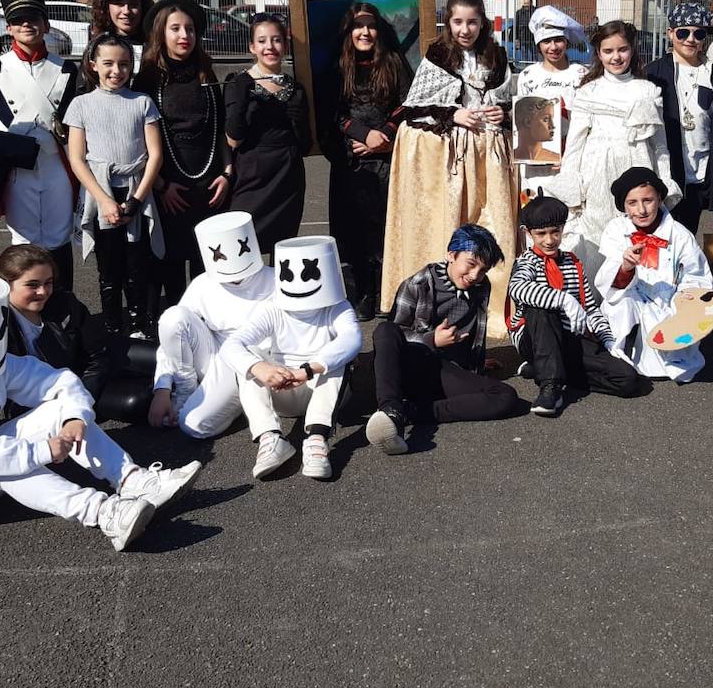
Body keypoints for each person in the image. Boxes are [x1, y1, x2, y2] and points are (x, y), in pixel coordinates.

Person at [0, 270, 201, 552]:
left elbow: (61, 382)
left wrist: (75, 418)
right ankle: (104, 513)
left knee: (52, 414)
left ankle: (134, 481)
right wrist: (40, 450)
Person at [380, 0, 516, 330]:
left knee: (491, 220)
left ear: (483, 22)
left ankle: (494, 300)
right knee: (455, 221)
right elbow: (416, 107)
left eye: (472, 22)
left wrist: (503, 112)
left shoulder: (497, 56)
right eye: (458, 22)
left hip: (491, 153)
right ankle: (444, 297)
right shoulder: (439, 55)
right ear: (448, 22)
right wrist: (454, 115)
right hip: (454, 153)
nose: (465, 30)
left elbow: (516, 102)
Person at [365, 225, 522, 455]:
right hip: (413, 366)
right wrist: (432, 340)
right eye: (471, 264)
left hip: (445, 372)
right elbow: (395, 340)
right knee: (384, 329)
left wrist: (475, 361)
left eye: (483, 269)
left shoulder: (481, 286)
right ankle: (390, 411)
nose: (475, 275)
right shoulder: (417, 284)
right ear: (451, 255)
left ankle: (411, 412)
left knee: (506, 397)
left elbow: (474, 330)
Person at [221, 237, 362, 480]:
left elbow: (353, 339)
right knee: (248, 357)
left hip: (319, 390)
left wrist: (308, 370)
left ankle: (317, 439)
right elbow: (231, 346)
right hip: (280, 389)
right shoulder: (272, 307)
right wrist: (261, 368)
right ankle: (269, 437)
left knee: (338, 357)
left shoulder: (337, 305)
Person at [0, 0, 80, 291]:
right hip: (16, 170)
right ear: (8, 27)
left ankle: (62, 307)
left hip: (56, 169)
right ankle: (23, 308)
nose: (26, 25)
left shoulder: (66, 70)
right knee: (23, 242)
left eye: (32, 18)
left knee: (59, 240)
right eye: (17, 20)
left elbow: (73, 124)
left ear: (46, 24)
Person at [549, 21, 677, 270]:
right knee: (597, 234)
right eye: (608, 51)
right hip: (597, 172)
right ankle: (596, 298)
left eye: (622, 50)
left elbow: (660, 145)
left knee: (639, 228)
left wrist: (664, 181)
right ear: (598, 53)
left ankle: (642, 297)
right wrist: (571, 182)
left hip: (639, 165)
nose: (616, 57)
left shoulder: (648, 91)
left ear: (632, 50)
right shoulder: (588, 91)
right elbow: (575, 143)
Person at [508, 196, 650, 416]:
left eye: (555, 232)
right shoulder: (526, 261)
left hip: (569, 337)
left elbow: (590, 308)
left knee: (629, 380)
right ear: (528, 233)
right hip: (535, 338)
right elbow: (517, 288)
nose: (549, 240)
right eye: (541, 234)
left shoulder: (573, 263)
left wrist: (608, 340)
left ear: (563, 228)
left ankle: (543, 369)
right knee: (541, 309)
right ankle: (550, 387)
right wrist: (563, 299)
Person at [64, 33, 164, 338]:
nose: (116, 71)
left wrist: (136, 199)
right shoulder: (81, 105)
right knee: (109, 270)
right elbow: (77, 158)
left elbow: (155, 154)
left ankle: (138, 328)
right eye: (108, 63)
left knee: (138, 266)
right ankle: (111, 328)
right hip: (101, 195)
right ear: (93, 65)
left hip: (136, 192)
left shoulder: (142, 102)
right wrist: (104, 200)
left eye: (123, 64)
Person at [133, 0, 231, 305]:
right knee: (172, 270)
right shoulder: (148, 79)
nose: (183, 35)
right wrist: (160, 185)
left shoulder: (207, 74)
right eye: (175, 28)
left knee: (209, 267)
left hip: (210, 185)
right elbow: (138, 139)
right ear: (161, 33)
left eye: (189, 28)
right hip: (170, 189)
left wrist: (227, 173)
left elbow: (220, 131)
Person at [0, 245, 154, 422]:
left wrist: (81, 393)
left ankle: (168, 390)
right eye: (32, 285)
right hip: (49, 397)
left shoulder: (63, 302)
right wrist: (74, 404)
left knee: (163, 357)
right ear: (5, 285)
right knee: (135, 402)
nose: (43, 292)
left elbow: (97, 355)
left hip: (88, 370)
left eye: (48, 282)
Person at [150, 211, 276, 438]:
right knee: (172, 316)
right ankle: (187, 389)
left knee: (194, 425)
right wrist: (162, 389)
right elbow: (171, 334)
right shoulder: (203, 284)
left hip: (255, 363)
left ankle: (236, 400)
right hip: (216, 356)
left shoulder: (275, 280)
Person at [326, 1, 412, 320]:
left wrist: (383, 137)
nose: (365, 32)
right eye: (358, 26)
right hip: (352, 164)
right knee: (354, 233)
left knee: (383, 232)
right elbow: (333, 113)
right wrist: (362, 134)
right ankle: (361, 293)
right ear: (349, 32)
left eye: (371, 25)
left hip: (386, 161)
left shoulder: (393, 63)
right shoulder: (339, 67)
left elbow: (407, 106)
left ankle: (385, 293)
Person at [595, 167, 713, 383]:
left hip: (668, 301)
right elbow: (608, 283)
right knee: (620, 304)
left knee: (682, 315)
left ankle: (671, 355)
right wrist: (626, 267)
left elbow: (696, 274)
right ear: (624, 206)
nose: (641, 210)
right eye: (632, 203)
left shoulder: (679, 234)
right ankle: (623, 351)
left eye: (647, 200)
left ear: (660, 198)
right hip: (633, 297)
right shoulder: (616, 230)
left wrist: (688, 294)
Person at [226, 12, 310, 250]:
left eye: (276, 40)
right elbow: (232, 140)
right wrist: (241, 101)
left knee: (283, 247)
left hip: (288, 175)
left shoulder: (295, 87)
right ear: (252, 46)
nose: (270, 47)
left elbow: (304, 145)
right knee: (242, 245)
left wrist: (299, 121)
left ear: (284, 44)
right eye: (262, 41)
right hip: (251, 175)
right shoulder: (238, 82)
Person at [645, 0, 713, 233]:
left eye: (698, 33)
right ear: (671, 34)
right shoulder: (653, 73)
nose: (691, 39)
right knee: (658, 235)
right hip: (666, 171)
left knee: (688, 235)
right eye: (683, 32)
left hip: (700, 174)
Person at [514, 5, 586, 207]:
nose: (553, 47)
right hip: (534, 166)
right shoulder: (528, 76)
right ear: (538, 45)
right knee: (533, 213)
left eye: (558, 40)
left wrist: (570, 156)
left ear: (566, 41)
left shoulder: (581, 74)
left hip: (570, 162)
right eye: (546, 41)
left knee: (569, 219)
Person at [89, 0, 155, 59]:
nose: (126, 11)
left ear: (143, 5)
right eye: (119, 4)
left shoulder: (156, 46)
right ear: (106, 8)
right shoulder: (96, 48)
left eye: (133, 4)